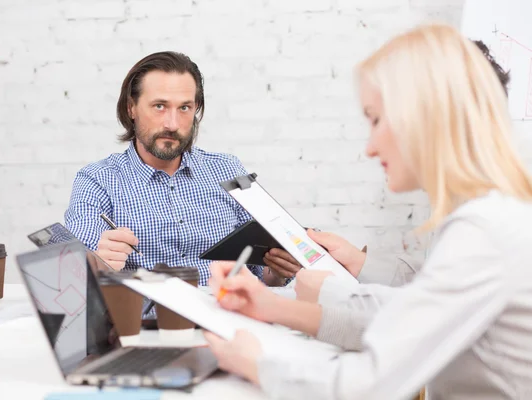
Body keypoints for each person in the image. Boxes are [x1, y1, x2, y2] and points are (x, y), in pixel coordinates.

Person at [205, 24, 532, 399]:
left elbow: (369, 384)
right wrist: (272, 305)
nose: (370, 147)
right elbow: (405, 316)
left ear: (425, 117)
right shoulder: (494, 211)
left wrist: (255, 363)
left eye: (376, 120)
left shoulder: (484, 229)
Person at [294, 38, 512, 308]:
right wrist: (356, 260)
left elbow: (428, 320)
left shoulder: (487, 221)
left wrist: (324, 296)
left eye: (378, 120)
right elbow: (434, 288)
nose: (370, 148)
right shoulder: (472, 199)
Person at [64, 51, 299, 286]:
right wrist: (96, 262)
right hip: (152, 320)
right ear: (131, 108)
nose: (172, 124)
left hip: (228, 315)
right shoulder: (97, 180)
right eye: (159, 106)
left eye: (184, 108)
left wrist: (279, 269)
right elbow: (72, 278)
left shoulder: (228, 169)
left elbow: (263, 275)